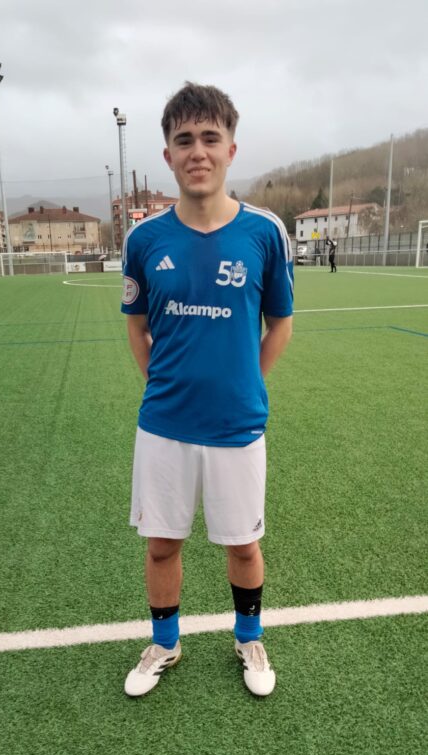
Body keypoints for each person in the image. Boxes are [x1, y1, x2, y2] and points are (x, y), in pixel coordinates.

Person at [121, 82, 293, 698]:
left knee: (244, 545)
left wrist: (243, 383)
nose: (198, 151)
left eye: (210, 138)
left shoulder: (264, 233)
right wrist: (165, 385)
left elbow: (281, 324)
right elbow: (137, 328)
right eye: (184, 139)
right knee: (162, 544)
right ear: (168, 154)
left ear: (230, 150)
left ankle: (249, 637)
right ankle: (164, 644)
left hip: (236, 425)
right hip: (164, 424)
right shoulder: (144, 240)